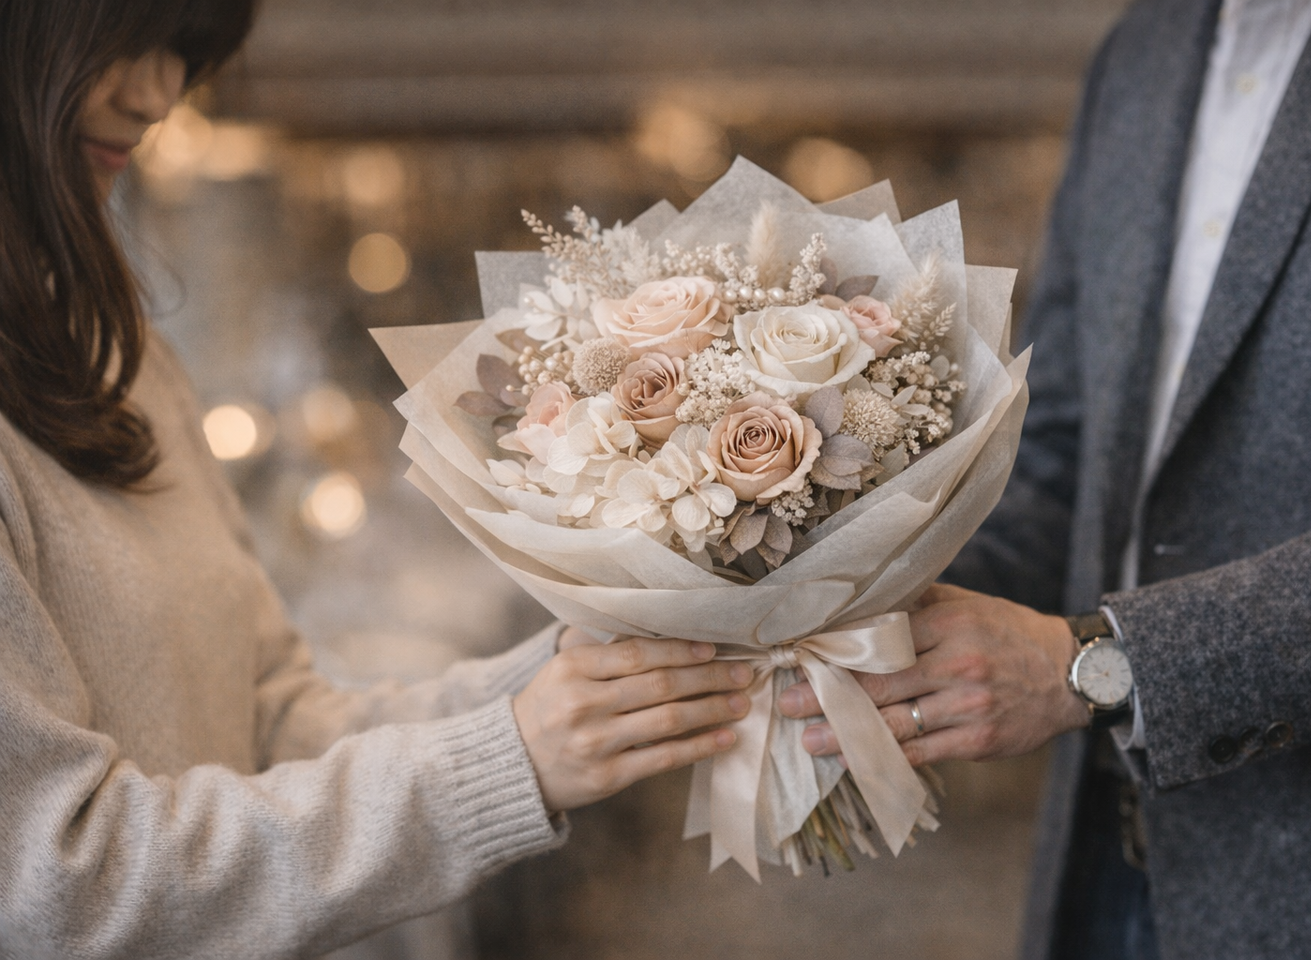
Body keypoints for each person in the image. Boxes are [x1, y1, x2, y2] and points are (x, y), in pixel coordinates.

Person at [0, 2, 754, 957]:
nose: (155, 95)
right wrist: (510, 759)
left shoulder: (125, 359)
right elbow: (55, 889)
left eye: (180, 51)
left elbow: (275, 723)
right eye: (118, 42)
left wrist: (580, 673)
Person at [781, 0, 1311, 956]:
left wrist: (1101, 665)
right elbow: (1063, 444)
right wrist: (840, 591)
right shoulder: (1144, 51)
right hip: (1102, 866)